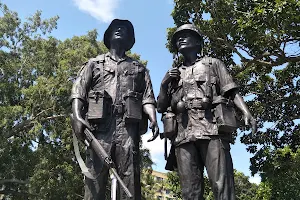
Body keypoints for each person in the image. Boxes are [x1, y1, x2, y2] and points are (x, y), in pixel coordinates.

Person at [157, 24, 257, 200]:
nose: (180, 39)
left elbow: (231, 91)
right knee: (190, 191)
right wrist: (164, 84)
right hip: (184, 135)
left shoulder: (214, 64)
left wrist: (246, 112)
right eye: (178, 38)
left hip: (212, 130)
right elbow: (161, 106)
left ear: (197, 42)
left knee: (222, 185)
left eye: (186, 35)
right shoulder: (173, 74)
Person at [70, 19, 159, 200]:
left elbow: (147, 98)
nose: (120, 30)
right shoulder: (94, 64)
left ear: (130, 38)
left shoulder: (139, 69)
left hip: (128, 129)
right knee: (94, 178)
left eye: (124, 29)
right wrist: (78, 116)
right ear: (108, 36)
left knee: (130, 178)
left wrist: (153, 119)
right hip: (100, 129)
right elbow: (78, 91)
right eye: (115, 28)